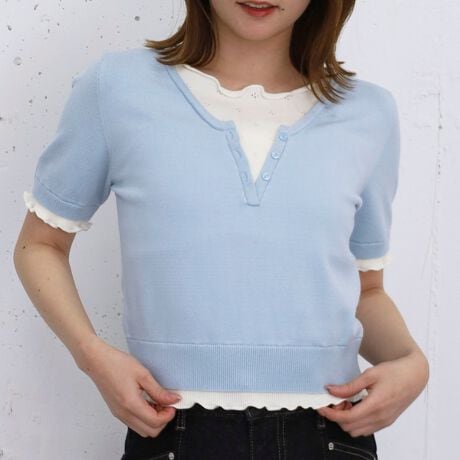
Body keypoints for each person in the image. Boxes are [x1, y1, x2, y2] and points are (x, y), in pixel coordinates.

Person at [14, 1, 429, 459]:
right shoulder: (116, 87)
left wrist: (412, 363)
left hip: (328, 434)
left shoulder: (369, 113)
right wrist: (92, 356)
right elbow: (40, 244)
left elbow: (366, 290)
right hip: (174, 429)